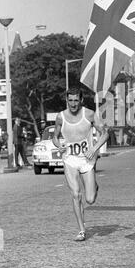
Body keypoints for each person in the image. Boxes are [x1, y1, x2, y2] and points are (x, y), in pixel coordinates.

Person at [53, 87, 109, 242]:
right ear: (66, 100)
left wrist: (94, 148)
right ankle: (82, 230)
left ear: (81, 100)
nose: (73, 103)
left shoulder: (89, 114)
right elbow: (55, 137)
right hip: (69, 159)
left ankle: (94, 186)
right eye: (70, 100)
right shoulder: (60, 117)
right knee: (76, 194)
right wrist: (59, 145)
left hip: (87, 159)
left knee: (90, 199)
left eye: (76, 100)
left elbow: (105, 133)